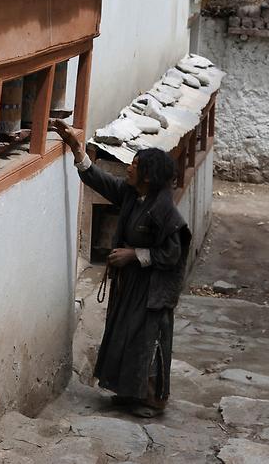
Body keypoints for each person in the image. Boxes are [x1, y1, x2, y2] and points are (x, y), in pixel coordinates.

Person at [52, 119, 191, 417]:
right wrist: (77, 149)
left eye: (135, 165)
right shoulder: (132, 194)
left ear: (148, 177)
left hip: (152, 289)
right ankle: (128, 393)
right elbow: (101, 181)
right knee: (123, 334)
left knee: (146, 339)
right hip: (131, 285)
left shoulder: (164, 209)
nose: (128, 167)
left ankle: (152, 399)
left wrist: (134, 254)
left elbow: (172, 253)